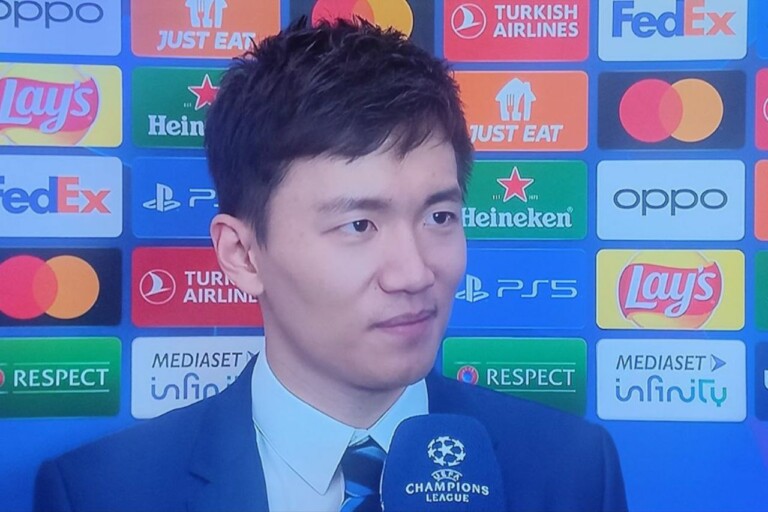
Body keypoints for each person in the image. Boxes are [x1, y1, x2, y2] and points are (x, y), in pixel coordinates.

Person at [34, 18, 627, 512]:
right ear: (242, 254)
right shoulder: (100, 493)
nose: (414, 274)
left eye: (439, 216)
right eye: (359, 225)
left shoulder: (572, 471)